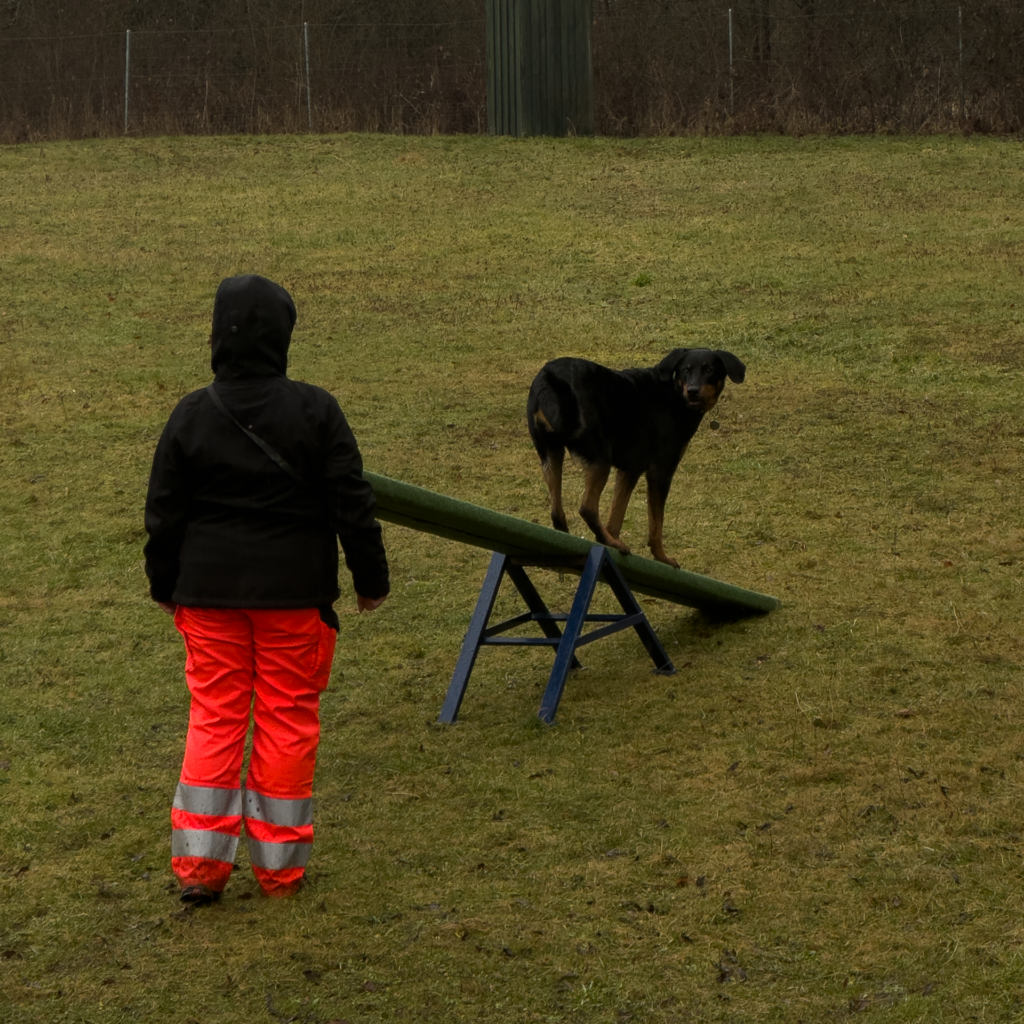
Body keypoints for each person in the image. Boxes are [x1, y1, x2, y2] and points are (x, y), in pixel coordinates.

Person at [143, 274, 389, 903]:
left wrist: (164, 584)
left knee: (215, 717)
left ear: (215, 335)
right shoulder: (316, 409)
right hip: (294, 598)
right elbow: (352, 501)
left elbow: (164, 511)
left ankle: (200, 868)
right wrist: (370, 580)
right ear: (283, 336)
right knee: (287, 718)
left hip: (207, 596)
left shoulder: (191, 412)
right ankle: (279, 869)